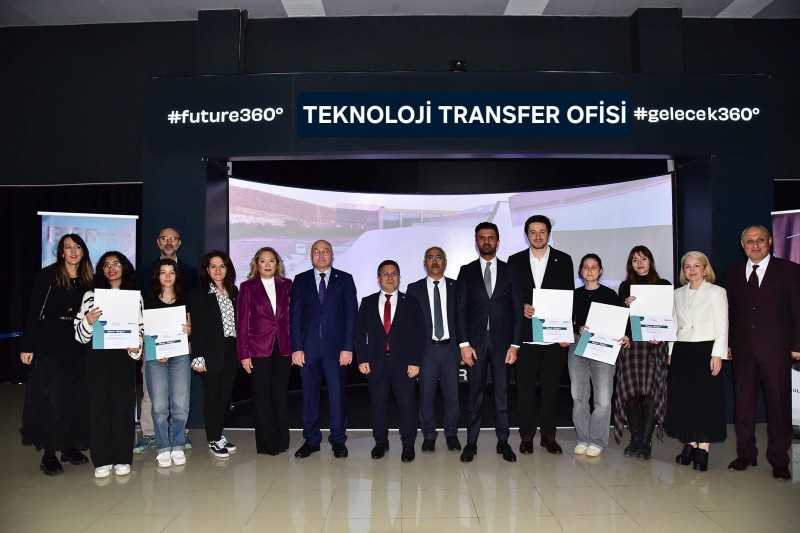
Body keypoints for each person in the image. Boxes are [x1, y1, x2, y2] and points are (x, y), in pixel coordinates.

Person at [722, 225, 800, 480]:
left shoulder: (790, 271)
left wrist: (798, 345)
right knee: (743, 407)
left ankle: (779, 460)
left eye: (760, 240)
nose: (755, 245)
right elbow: (728, 313)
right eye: (749, 241)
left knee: (778, 407)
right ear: (742, 245)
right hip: (743, 351)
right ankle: (746, 454)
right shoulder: (732, 274)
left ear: (770, 242)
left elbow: (798, 310)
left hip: (776, 350)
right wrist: (726, 343)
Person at [20, 234, 93, 476]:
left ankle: (68, 447)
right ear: (61, 252)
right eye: (67, 247)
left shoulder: (88, 280)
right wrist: (27, 346)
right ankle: (49, 454)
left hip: (78, 343)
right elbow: (34, 310)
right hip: (50, 341)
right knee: (52, 399)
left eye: (77, 247)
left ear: (83, 252)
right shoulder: (48, 276)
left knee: (74, 397)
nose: (73, 251)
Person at [508, 215, 574, 455]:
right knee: (524, 389)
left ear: (548, 234)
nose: (538, 236)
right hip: (525, 337)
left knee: (551, 389)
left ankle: (548, 435)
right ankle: (526, 436)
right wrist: (521, 306)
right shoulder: (514, 261)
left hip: (554, 338)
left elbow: (569, 297)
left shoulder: (564, 260)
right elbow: (509, 296)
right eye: (533, 232)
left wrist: (567, 331)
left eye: (542, 231)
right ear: (526, 235)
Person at [456, 222, 522, 463]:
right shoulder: (466, 271)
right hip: (474, 344)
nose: (486, 241)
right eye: (482, 237)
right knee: (474, 394)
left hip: (503, 344)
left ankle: (503, 441)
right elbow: (460, 309)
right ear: (476, 242)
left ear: (498, 241)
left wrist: (515, 344)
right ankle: (471, 442)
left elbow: (517, 308)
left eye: (491, 237)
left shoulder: (510, 270)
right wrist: (463, 344)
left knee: (502, 394)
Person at [75, 251, 143, 479]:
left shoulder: (134, 296)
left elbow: (140, 328)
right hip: (96, 358)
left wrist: (136, 346)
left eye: (116, 264)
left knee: (123, 408)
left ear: (124, 268)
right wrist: (88, 321)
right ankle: (102, 459)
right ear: (101, 270)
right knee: (98, 407)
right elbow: (79, 335)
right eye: (106, 265)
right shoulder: (90, 295)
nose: (111, 269)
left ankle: (122, 457)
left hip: (123, 358)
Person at [290, 240, 358, 459]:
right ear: (311, 255)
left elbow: (351, 316)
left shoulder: (345, 279)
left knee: (337, 396)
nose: (321, 255)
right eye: (316, 252)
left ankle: (338, 440)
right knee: (309, 396)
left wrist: (348, 347)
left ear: (332, 254)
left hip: (337, 350)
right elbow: (294, 317)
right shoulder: (300, 280)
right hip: (308, 350)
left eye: (325, 251)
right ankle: (311, 440)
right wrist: (296, 348)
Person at [136, 227, 198, 454]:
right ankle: (150, 435)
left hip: (180, 345)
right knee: (151, 394)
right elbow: (141, 312)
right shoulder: (144, 271)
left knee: (180, 395)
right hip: (153, 346)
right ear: (158, 242)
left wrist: (191, 331)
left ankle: (179, 435)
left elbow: (193, 310)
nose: (169, 242)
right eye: (165, 238)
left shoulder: (190, 272)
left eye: (173, 239)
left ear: (179, 243)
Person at [663, 251, 728, 471]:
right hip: (682, 350)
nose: (692, 270)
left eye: (696, 265)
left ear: (705, 269)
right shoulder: (677, 293)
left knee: (705, 400)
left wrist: (718, 354)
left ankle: (703, 448)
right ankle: (690, 444)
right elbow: (673, 324)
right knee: (685, 399)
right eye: (687, 266)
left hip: (706, 350)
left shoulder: (717, 292)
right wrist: (670, 351)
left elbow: (722, 325)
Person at [356, 260, 426, 462]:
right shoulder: (367, 302)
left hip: (404, 364)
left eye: (394, 273)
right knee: (377, 404)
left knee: (407, 405)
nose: (389, 277)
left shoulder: (411, 302)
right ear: (378, 278)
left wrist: (416, 361)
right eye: (385, 274)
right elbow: (359, 333)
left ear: (399, 278)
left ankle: (408, 445)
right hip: (376, 363)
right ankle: (381, 442)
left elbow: (419, 334)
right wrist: (362, 358)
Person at [613, 245, 671, 461]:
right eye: (635, 260)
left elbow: (669, 316)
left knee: (651, 393)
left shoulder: (663, 285)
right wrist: (625, 305)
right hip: (631, 345)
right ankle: (635, 438)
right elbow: (620, 318)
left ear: (650, 261)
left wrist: (661, 335)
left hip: (654, 345)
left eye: (643, 259)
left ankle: (646, 441)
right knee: (631, 393)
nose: (639, 263)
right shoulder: (625, 286)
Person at [568, 254, 629, 457]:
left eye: (594, 267)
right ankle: (583, 438)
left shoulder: (610, 294)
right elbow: (566, 321)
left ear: (600, 271)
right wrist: (577, 328)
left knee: (602, 398)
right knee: (579, 396)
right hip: (578, 345)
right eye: (586, 267)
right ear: (581, 271)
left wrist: (624, 334)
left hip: (603, 347)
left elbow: (619, 321)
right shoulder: (574, 295)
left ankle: (597, 440)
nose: (590, 270)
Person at [236, 247, 292, 456]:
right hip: (258, 349)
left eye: (271, 261)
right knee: (261, 396)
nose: (267, 265)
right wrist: (243, 354)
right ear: (256, 264)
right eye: (263, 261)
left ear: (277, 263)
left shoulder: (287, 285)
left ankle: (282, 440)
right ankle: (267, 444)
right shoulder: (247, 287)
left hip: (283, 347)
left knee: (280, 394)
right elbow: (242, 322)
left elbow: (293, 317)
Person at [407, 247, 462, 453]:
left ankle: (451, 434)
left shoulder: (457, 287)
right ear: (424, 263)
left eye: (439, 258)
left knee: (452, 396)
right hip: (426, 350)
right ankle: (429, 435)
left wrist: (463, 348)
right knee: (426, 395)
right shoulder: (414, 289)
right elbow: (410, 324)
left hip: (450, 349)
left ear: (445, 262)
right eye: (430, 258)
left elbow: (463, 319)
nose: (435, 261)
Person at [187, 251, 239, 459]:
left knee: (225, 397)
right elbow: (197, 328)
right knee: (212, 397)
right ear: (206, 270)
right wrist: (197, 356)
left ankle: (218, 434)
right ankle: (213, 438)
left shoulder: (233, 291)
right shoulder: (199, 294)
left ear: (228, 269)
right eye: (213, 266)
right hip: (210, 352)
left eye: (222, 266)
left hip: (231, 350)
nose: (218, 270)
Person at [144, 259, 192, 468]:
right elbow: (145, 332)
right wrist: (157, 351)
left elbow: (189, 326)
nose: (167, 276)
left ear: (176, 276)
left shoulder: (184, 299)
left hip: (180, 356)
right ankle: (163, 447)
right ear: (157, 276)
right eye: (163, 272)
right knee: (159, 406)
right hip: (156, 358)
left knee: (181, 404)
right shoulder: (148, 300)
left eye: (171, 272)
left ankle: (178, 443)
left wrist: (189, 330)